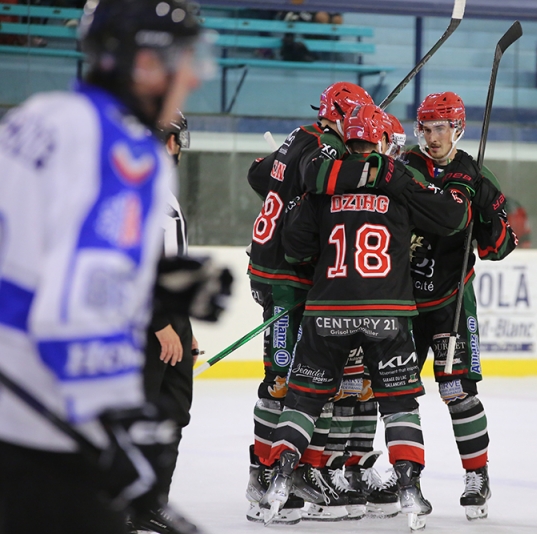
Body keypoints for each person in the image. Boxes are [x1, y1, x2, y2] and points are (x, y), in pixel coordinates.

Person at [0, 1, 223, 533]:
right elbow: (69, 316)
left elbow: (40, 263)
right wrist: (118, 432)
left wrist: (147, 290)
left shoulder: (37, 116)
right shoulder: (125, 152)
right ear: (144, 62)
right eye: (184, 58)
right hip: (47, 431)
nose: (194, 76)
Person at [259, 103, 477, 528]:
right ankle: (409, 488)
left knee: (304, 400)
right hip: (387, 314)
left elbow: (296, 246)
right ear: (380, 142)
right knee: (398, 405)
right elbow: (451, 218)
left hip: (327, 312)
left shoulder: (325, 184)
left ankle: (281, 477)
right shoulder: (399, 182)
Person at [244, 81, 375, 524]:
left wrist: (284, 185)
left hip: (274, 269)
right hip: (286, 276)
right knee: (283, 382)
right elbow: (318, 179)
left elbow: (257, 175)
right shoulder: (324, 146)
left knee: (302, 378)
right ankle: (265, 476)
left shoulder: (300, 137)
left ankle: (291, 473)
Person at [403, 91, 517, 521]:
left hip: (450, 300)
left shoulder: (476, 173)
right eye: (426, 128)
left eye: (441, 128)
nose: (433, 137)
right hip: (403, 300)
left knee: (458, 391)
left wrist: (487, 208)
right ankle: (401, 474)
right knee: (394, 390)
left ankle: (476, 475)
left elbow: (498, 247)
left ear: (458, 129)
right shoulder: (406, 166)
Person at [130, 110, 200, 533]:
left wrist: (183, 325)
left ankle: (151, 504)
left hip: (170, 323)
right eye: (177, 137)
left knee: (172, 414)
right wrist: (160, 323)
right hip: (146, 326)